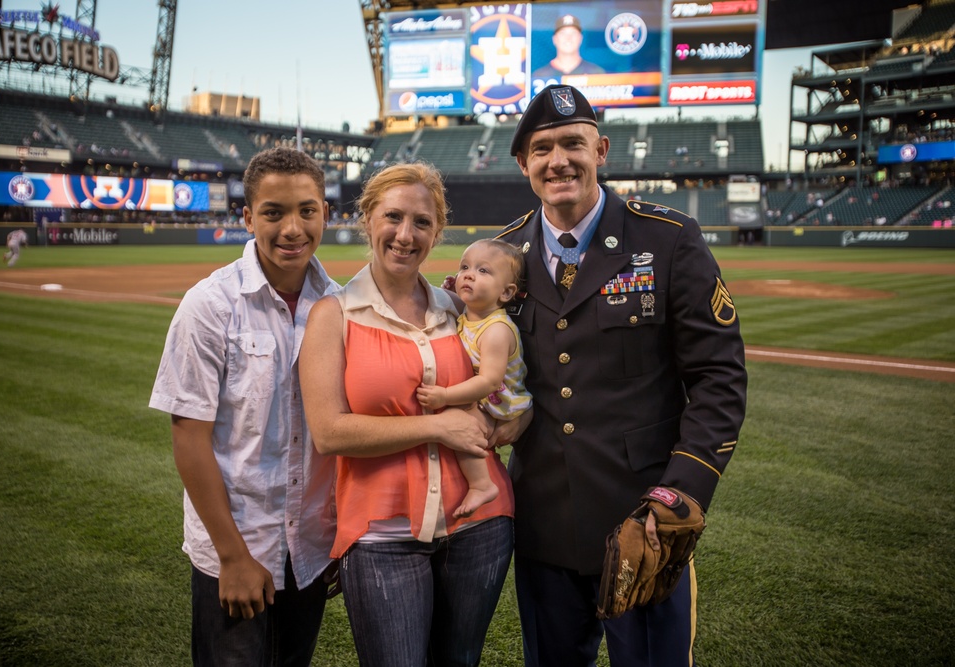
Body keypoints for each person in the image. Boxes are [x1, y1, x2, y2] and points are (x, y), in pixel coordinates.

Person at [495, 84, 748, 666]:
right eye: (542, 149)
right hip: (545, 528)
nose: (558, 160)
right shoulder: (503, 255)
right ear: (523, 164)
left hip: (645, 522)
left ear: (602, 149)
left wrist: (679, 492)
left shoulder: (667, 238)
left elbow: (719, 377)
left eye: (573, 144)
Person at [299, 162, 515, 666]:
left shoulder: (460, 311)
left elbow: (509, 394)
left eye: (421, 222)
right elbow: (329, 432)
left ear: (437, 231)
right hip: (381, 534)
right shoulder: (334, 316)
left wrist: (509, 423)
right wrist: (439, 425)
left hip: (480, 524)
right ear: (367, 219)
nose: (405, 234)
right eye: (392, 217)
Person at [149, 147, 339, 667]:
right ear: (248, 217)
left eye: (306, 210)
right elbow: (188, 437)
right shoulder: (210, 305)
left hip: (310, 554)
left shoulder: (339, 305)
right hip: (237, 551)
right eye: (274, 212)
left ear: (325, 211)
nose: (292, 228)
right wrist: (232, 557)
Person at [416, 238, 532, 518]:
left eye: (483, 271)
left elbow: (490, 381)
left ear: (506, 293)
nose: (469, 274)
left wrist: (445, 396)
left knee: (462, 423)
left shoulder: (496, 330)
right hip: (491, 396)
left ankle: (482, 484)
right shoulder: (470, 317)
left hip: (503, 402)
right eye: (465, 267)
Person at [532, 14, 606, 82]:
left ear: (580, 38)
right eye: (563, 33)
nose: (568, 38)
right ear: (554, 39)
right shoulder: (540, 76)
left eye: (573, 33)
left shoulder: (595, 73)